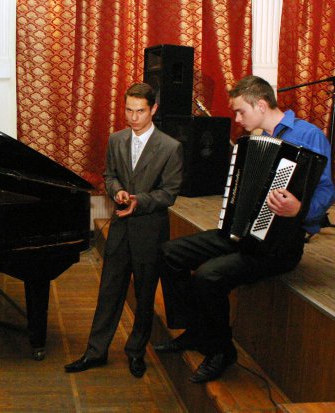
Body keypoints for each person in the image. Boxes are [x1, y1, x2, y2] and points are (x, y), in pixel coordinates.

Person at [155, 75, 335, 383]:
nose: (237, 119)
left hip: (280, 245)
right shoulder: (254, 139)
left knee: (209, 276)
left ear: (261, 105)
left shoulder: (308, 134)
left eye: (240, 111)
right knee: (170, 253)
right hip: (243, 233)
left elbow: (327, 189)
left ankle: (221, 351)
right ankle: (196, 330)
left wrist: (300, 209)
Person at [64, 83, 183, 377]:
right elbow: (110, 176)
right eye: (128, 110)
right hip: (120, 228)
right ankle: (95, 352)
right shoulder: (116, 139)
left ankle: (136, 353)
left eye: (140, 111)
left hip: (150, 231)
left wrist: (138, 201)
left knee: (144, 295)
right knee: (109, 291)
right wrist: (116, 191)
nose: (133, 117)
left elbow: (169, 194)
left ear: (153, 110)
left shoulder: (171, 147)